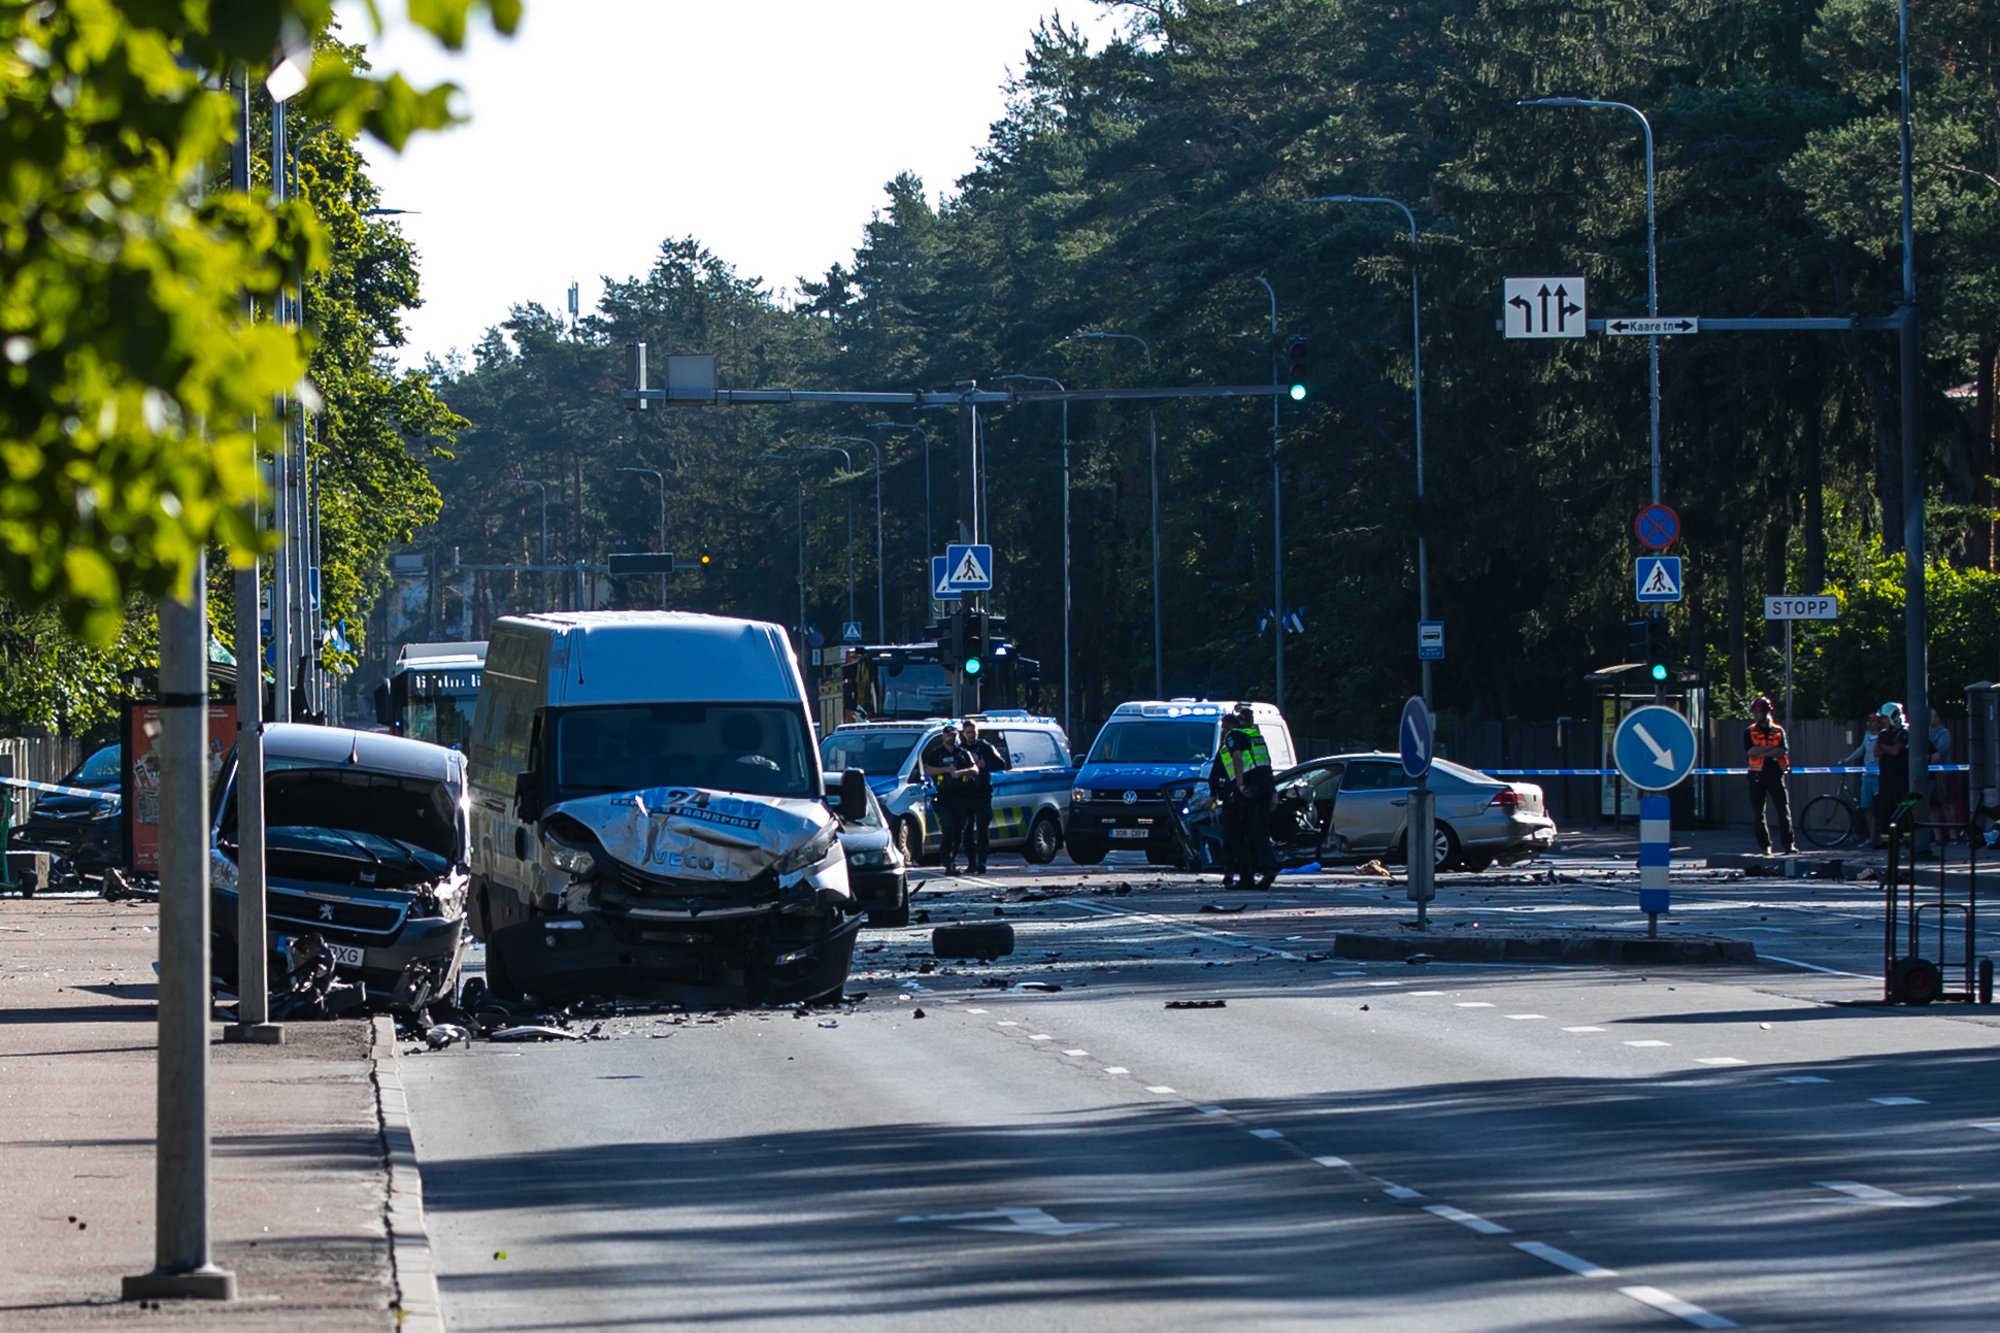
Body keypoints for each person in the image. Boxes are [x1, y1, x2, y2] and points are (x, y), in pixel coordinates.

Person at [1222, 703, 1278, 889]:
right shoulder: (1258, 737)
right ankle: (1267, 868)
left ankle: (1248, 875)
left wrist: (1239, 784)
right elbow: (1267, 764)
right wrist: (1273, 792)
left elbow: (1237, 758)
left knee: (1240, 832)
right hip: (1264, 786)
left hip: (1249, 787)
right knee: (1260, 830)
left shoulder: (1235, 736)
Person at [922, 723, 978, 874]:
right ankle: (947, 861)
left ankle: (952, 861)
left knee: (958, 830)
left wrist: (960, 772)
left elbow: (975, 770)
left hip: (961, 797)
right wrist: (946, 770)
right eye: (948, 735)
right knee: (948, 828)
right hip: (944, 796)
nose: (950, 737)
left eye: (953, 735)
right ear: (943, 736)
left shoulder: (963, 753)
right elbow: (928, 770)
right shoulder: (937, 753)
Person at [1744, 696, 1797, 855]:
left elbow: (1782, 750)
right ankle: (1765, 845)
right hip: (1756, 774)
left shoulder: (1778, 731)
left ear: (1767, 712)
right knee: (1758, 812)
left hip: (1775, 773)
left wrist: (1762, 751)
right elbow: (1750, 751)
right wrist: (1770, 750)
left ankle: (1788, 844)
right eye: (1755, 712)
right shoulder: (1749, 731)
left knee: (1783, 809)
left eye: (1759, 712)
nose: (1756, 715)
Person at [957, 720, 1011, 874]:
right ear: (963, 734)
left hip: (982, 792)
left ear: (977, 732)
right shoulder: (960, 749)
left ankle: (982, 862)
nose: (970, 735)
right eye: (967, 732)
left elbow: (1001, 763)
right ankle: (971, 862)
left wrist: (985, 765)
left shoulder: (985, 747)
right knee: (966, 829)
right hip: (965, 793)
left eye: (973, 732)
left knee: (982, 828)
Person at [1838, 711, 1883, 845]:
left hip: (1878, 776)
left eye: (1873, 721)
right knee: (1867, 808)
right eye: (1869, 721)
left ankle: (1882, 837)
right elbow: (1862, 749)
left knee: (1880, 808)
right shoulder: (1867, 735)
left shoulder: (1882, 736)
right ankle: (1871, 837)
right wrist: (1847, 759)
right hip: (1866, 775)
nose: (1870, 723)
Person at [1873, 701, 1914, 847]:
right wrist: (1885, 748)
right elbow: (1876, 752)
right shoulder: (1884, 734)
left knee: (1903, 809)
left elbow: (1896, 751)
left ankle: (1907, 838)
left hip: (1900, 778)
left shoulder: (1904, 734)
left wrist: (1884, 747)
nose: (1882, 721)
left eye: (1884, 718)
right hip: (1886, 778)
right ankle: (1886, 840)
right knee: (1883, 809)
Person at [1208, 746, 1245, 888]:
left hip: (1233, 797)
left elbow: (1214, 774)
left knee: (1231, 837)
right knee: (1236, 837)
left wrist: (1212, 794)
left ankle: (1232, 872)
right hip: (1242, 797)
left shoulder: (1228, 746)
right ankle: (1237, 872)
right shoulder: (1252, 742)